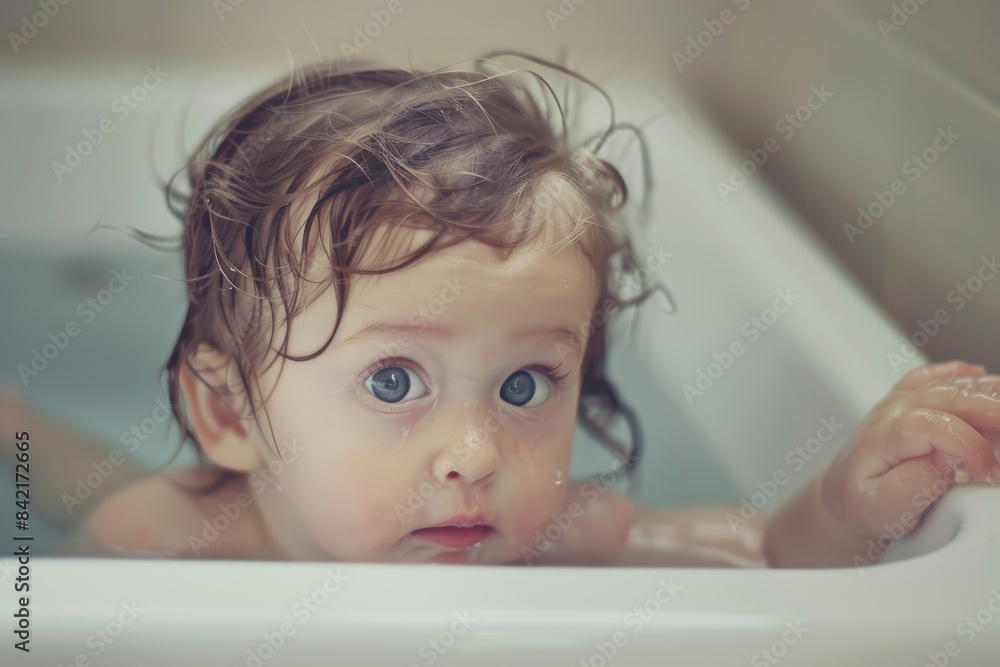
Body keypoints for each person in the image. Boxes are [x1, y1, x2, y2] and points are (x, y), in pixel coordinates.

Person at [16, 56, 1000, 566]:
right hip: (182, 498)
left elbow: (769, 559)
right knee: (56, 477)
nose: (475, 454)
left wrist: (841, 502)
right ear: (230, 415)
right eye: (395, 380)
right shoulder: (157, 545)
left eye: (526, 383)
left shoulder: (555, 534)